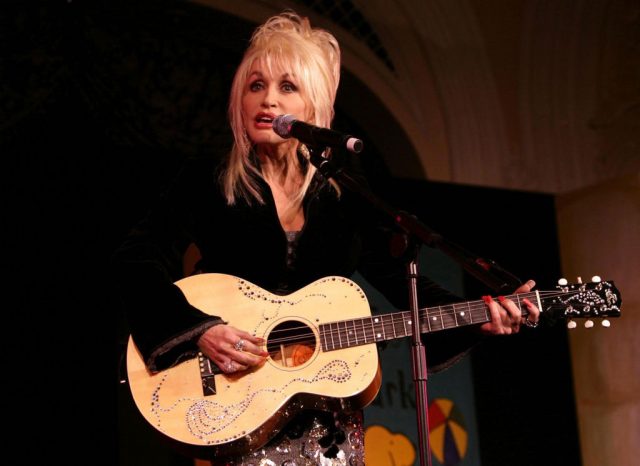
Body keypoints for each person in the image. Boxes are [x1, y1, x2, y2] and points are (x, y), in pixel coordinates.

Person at [113, 10, 540, 466]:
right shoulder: (210, 180)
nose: (268, 100)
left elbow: (400, 279)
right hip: (236, 402)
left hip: (327, 420)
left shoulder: (342, 192)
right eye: (256, 86)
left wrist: (478, 317)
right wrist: (201, 331)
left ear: (314, 108)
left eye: (287, 87)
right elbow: (134, 260)